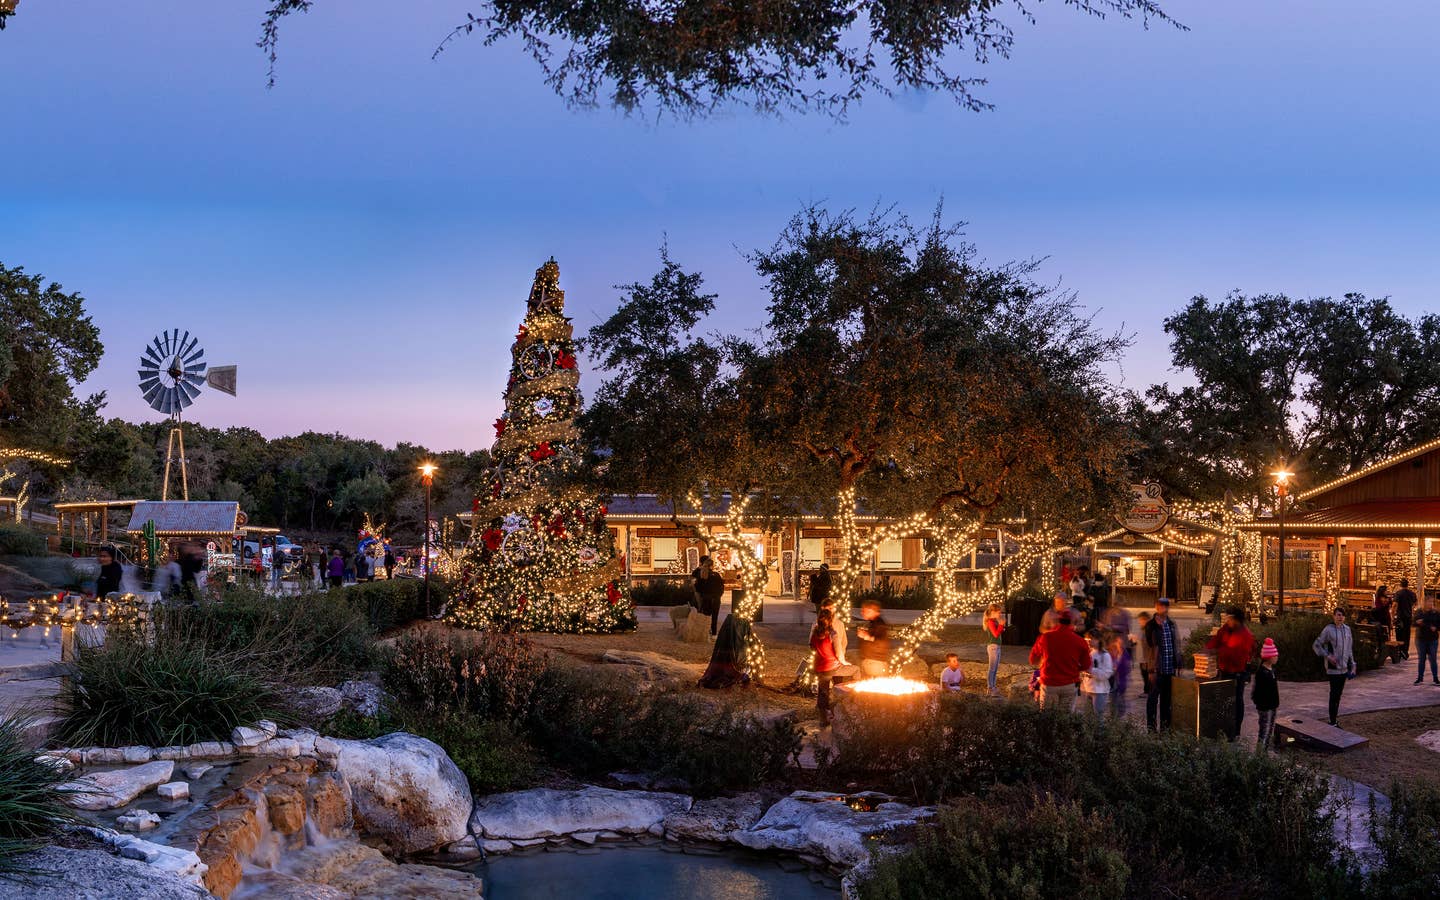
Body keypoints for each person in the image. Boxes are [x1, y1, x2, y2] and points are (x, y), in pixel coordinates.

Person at [1205, 606, 1256, 740]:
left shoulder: (1245, 635)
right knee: (1223, 700)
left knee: (1236, 701)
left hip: (1237, 673)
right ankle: (1224, 728)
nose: (1227, 621)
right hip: (1224, 671)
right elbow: (1216, 641)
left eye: (1229, 619)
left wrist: (1221, 650)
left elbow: (1237, 654)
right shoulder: (1226, 629)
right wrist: (1207, 650)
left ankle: (1235, 732)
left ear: (1236, 620)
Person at [1029, 608, 1090, 710]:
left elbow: (1033, 659)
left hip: (1049, 683)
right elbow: (1086, 665)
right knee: (1065, 718)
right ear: (1072, 623)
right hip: (1070, 684)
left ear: (1058, 622)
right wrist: (1073, 668)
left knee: (1046, 716)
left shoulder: (1045, 637)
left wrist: (1044, 662)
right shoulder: (1080, 641)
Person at [810, 608, 857, 723]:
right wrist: (844, 662)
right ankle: (854, 703)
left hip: (820, 667)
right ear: (831, 620)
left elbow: (812, 647)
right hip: (833, 666)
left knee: (823, 692)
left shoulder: (815, 632)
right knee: (855, 671)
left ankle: (823, 719)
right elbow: (839, 653)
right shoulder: (832, 633)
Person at [1313, 606, 1356, 727]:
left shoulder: (1347, 630)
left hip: (1344, 669)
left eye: (1342, 615)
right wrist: (1327, 656)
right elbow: (1317, 645)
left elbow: (1349, 648)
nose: (1340, 617)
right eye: (1338, 615)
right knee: (1334, 695)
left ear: (1344, 617)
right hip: (1333, 669)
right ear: (1334, 616)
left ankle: (1334, 720)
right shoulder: (1328, 629)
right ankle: (1332, 722)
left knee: (1339, 695)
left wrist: (1353, 664)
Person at [1144, 598, 1181, 732]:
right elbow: (1149, 648)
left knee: (1167, 701)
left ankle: (1165, 729)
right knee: (1152, 700)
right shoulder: (1151, 626)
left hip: (1169, 668)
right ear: (1156, 607)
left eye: (1166, 607)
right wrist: (1151, 669)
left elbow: (1176, 643)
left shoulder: (1171, 624)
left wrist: (1178, 662)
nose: (1163, 609)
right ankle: (1151, 730)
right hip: (1156, 669)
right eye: (1161, 606)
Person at [1252, 637, 1281, 753]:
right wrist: (1261, 703)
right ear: (1269, 657)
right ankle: (1260, 754)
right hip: (1265, 707)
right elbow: (1257, 692)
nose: (1277, 658)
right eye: (1275, 656)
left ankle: (1264, 753)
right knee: (1264, 730)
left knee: (1269, 730)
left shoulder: (1271, 671)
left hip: (1272, 705)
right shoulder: (1262, 673)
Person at [1079, 630, 1114, 717]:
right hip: (1087, 689)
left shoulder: (1105, 655)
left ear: (1098, 640)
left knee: (1098, 718)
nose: (1088, 641)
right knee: (1088, 717)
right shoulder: (1090, 652)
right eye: (1087, 639)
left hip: (1099, 691)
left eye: (1091, 639)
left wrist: (1091, 670)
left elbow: (1107, 674)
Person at [692, 555, 726, 636]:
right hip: (716, 599)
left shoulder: (701, 575)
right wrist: (719, 595)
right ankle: (714, 634)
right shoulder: (717, 575)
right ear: (712, 566)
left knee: (705, 617)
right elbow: (721, 587)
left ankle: (705, 633)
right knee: (714, 617)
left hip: (706, 598)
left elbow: (698, 587)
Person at [856, 599, 891, 677]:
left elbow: (881, 642)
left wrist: (866, 636)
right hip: (872, 661)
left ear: (872, 611)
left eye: (864, 611)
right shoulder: (874, 623)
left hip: (875, 663)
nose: (862, 613)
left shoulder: (879, 624)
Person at [1413, 594, 1440, 685]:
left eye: (1432, 602)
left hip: (1433, 639)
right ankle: (1420, 678)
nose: (1430, 604)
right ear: (1424, 602)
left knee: (1433, 659)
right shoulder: (1419, 612)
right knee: (1422, 659)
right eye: (1429, 602)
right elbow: (1413, 623)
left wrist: (1436, 627)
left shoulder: (1436, 613)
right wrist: (1417, 622)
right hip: (1421, 639)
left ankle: (1435, 678)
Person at [1106, 628, 1132, 719]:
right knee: (1114, 701)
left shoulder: (1125, 654)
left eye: (1121, 642)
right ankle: (1114, 718)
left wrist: (1117, 669)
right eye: (1118, 642)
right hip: (1113, 681)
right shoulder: (1111, 652)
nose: (1120, 644)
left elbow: (1128, 668)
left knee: (1119, 703)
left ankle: (1116, 718)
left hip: (1120, 681)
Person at [983, 604, 1005, 694]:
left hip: (997, 646)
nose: (1000, 614)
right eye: (998, 612)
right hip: (993, 647)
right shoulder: (990, 622)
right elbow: (995, 634)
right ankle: (990, 687)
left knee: (995, 669)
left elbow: (998, 632)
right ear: (993, 612)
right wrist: (1001, 625)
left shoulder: (994, 621)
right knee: (992, 668)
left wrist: (1001, 626)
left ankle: (993, 686)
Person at [1394, 578, 1417, 661]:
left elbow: (1394, 605)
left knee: (1399, 634)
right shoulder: (1412, 594)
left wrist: (1393, 615)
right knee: (1407, 635)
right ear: (1407, 584)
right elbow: (1414, 603)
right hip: (1408, 617)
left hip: (1400, 617)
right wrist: (1411, 609)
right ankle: (1405, 651)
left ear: (1401, 585)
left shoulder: (1398, 593)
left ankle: (1400, 651)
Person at [1136, 611, 1155, 695]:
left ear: (1146, 620)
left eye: (1141, 620)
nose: (1140, 622)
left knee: (1147, 675)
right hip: (1142, 657)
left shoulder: (1148, 630)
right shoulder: (1143, 629)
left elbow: (1148, 644)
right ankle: (1147, 690)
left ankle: (1148, 691)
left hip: (1146, 658)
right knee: (1144, 675)